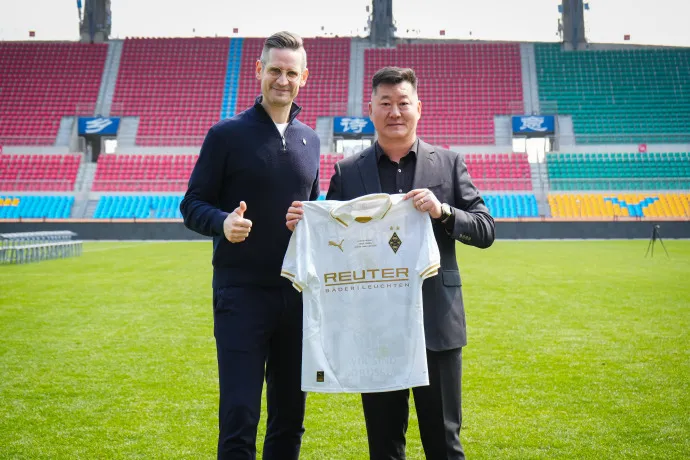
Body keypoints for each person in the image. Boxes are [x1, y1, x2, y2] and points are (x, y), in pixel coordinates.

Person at [286, 66, 495, 459]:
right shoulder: (349, 171)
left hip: (436, 323)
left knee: (444, 441)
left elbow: (485, 229)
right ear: (371, 110)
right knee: (383, 444)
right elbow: (332, 238)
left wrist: (443, 211)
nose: (394, 112)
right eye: (385, 103)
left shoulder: (448, 163)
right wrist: (303, 226)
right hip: (374, 327)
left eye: (403, 103)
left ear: (419, 108)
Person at [181, 31, 320, 460]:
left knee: (289, 418)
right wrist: (223, 223)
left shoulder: (311, 140)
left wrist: (310, 220)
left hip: (296, 296)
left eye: (291, 73)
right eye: (275, 70)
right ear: (259, 70)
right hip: (240, 295)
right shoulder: (226, 135)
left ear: (304, 78)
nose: (283, 80)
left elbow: (314, 214)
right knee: (239, 415)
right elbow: (192, 204)